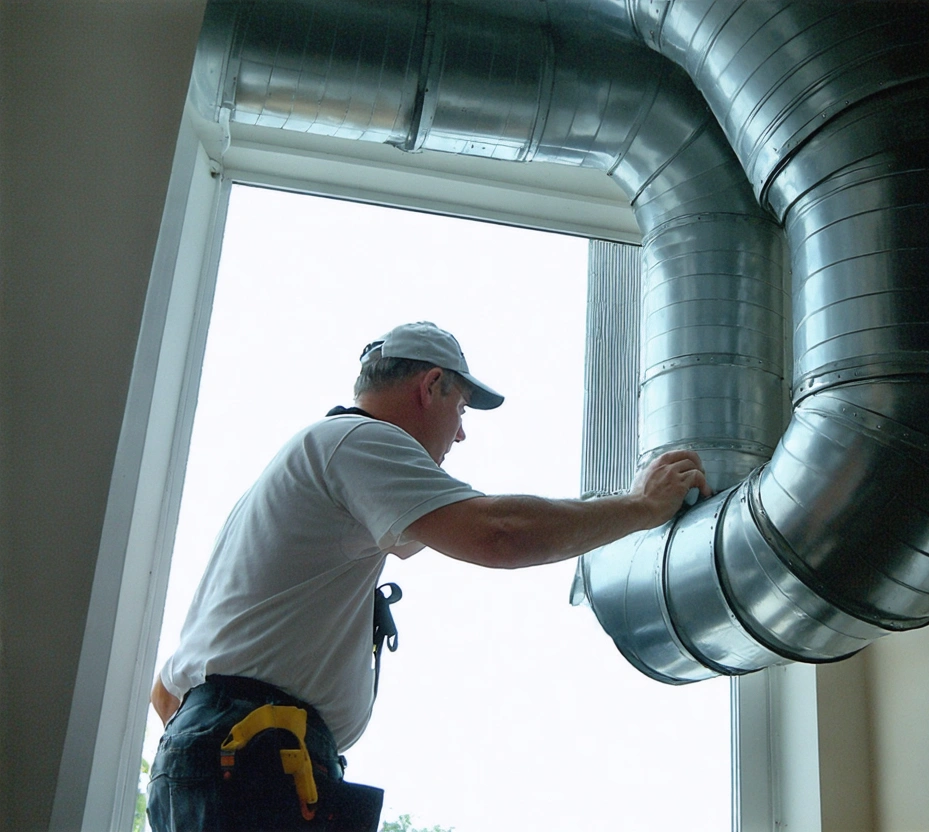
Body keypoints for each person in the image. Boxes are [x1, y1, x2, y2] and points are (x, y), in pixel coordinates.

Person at [147, 321, 710, 832]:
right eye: (461, 410)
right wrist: (641, 507)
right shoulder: (359, 442)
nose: (460, 436)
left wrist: (216, 755)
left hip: (227, 754)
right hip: (254, 757)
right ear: (431, 385)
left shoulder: (315, 468)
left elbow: (167, 694)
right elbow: (499, 532)